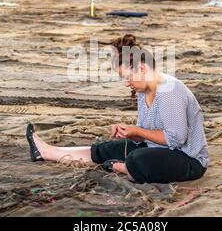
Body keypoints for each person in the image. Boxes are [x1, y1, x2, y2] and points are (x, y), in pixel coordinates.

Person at [26, 34, 209, 184]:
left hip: (187, 159)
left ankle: (124, 167)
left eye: (128, 77)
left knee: (138, 158)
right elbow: (146, 135)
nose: (126, 82)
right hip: (158, 148)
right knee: (108, 148)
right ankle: (47, 152)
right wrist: (130, 133)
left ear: (142, 68)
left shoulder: (170, 90)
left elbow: (176, 139)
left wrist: (138, 131)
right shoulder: (142, 91)